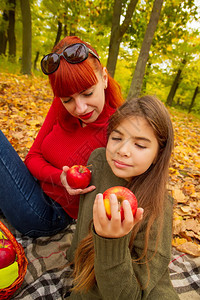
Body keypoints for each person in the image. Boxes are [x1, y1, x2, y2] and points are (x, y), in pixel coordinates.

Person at [0, 36, 124, 237]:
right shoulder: (61, 105)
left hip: (50, 214)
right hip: (30, 187)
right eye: (68, 99)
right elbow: (32, 158)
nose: (80, 108)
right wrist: (61, 177)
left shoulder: (118, 130)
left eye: (87, 93)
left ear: (103, 77)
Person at [66, 95, 179, 299]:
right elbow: (84, 215)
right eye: (116, 138)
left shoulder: (158, 209)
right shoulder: (100, 161)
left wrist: (112, 241)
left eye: (140, 145)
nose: (122, 151)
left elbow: (130, 295)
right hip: (86, 277)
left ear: (158, 155)